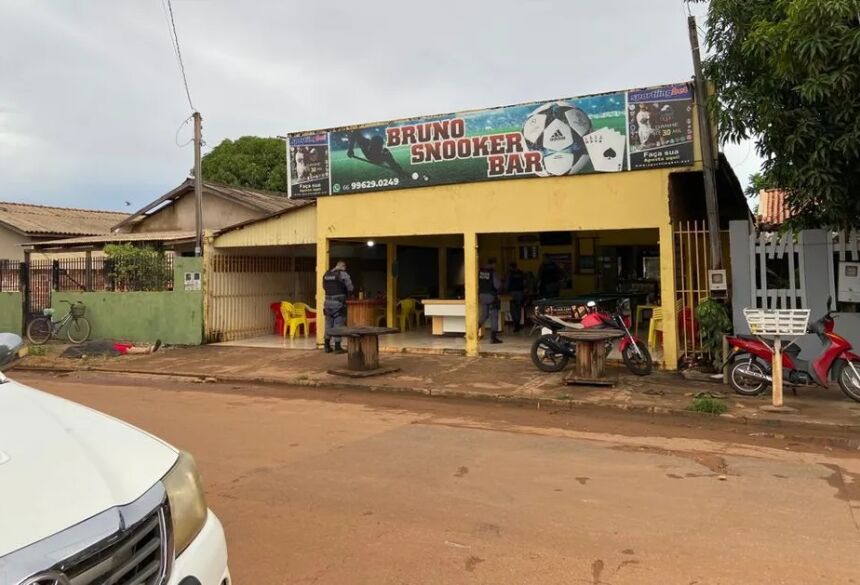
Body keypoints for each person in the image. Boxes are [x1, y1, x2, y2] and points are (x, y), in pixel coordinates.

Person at [322, 260, 354, 354]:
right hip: (338, 303)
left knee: (328, 324)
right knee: (338, 324)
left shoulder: (326, 274)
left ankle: (326, 346)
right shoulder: (343, 274)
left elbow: (324, 287)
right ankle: (337, 347)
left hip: (327, 302)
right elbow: (350, 288)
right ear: (343, 266)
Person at [478, 258, 503, 344]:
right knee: (494, 317)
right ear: (493, 264)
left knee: (484, 315)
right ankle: (493, 338)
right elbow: (497, 285)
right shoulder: (493, 273)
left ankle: (474, 330)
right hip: (491, 296)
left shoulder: (480, 272)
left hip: (482, 295)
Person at [505, 262, 526, 333]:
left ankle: (516, 324)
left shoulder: (510, 273)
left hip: (512, 293)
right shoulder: (521, 273)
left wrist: (505, 291)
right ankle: (518, 323)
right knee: (518, 308)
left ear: (511, 267)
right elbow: (524, 282)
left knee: (513, 308)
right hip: (520, 292)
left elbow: (507, 283)